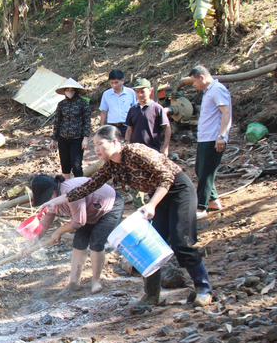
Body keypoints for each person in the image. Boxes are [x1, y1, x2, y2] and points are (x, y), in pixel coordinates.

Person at [39, 125, 214, 307]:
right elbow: (86, 188)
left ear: (115, 142)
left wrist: (152, 204)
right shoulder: (111, 166)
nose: (96, 149)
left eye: (100, 144)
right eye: (94, 145)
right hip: (158, 198)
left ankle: (203, 288)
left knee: (181, 243)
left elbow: (166, 177)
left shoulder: (136, 151)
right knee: (148, 247)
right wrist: (55, 202)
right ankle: (152, 295)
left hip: (179, 192)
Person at [29, 174, 124, 294]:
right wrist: (31, 243)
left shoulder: (71, 192)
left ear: (52, 190)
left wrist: (59, 231)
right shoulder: (51, 201)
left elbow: (79, 222)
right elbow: (44, 223)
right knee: (79, 242)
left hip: (109, 207)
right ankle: (74, 283)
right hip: (88, 212)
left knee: (96, 243)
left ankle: (95, 281)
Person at [189, 65, 232, 220]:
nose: (194, 85)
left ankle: (201, 207)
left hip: (213, 138)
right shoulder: (209, 92)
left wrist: (221, 136)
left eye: (194, 82)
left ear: (202, 77)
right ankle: (213, 200)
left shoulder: (217, 89)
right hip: (205, 137)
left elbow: (225, 112)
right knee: (200, 170)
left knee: (206, 172)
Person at [48, 78, 91, 178]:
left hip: (77, 138)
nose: (70, 92)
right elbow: (57, 121)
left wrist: (85, 138)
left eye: (72, 90)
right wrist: (53, 139)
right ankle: (67, 186)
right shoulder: (61, 104)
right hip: (63, 138)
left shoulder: (83, 103)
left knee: (76, 166)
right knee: (65, 165)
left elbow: (87, 121)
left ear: (76, 91)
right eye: (67, 90)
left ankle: (80, 187)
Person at [125, 77, 171, 156]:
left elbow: (167, 127)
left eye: (143, 91)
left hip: (152, 150)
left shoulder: (157, 108)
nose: (140, 94)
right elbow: (129, 130)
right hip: (135, 150)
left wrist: (166, 147)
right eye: (137, 92)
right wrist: (126, 146)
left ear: (150, 91)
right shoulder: (133, 109)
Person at [99, 70, 137, 138]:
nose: (114, 85)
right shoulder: (106, 94)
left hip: (127, 126)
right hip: (112, 126)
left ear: (122, 81)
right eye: (112, 83)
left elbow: (135, 110)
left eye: (116, 82)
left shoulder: (131, 93)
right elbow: (104, 112)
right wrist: (102, 128)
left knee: (127, 146)